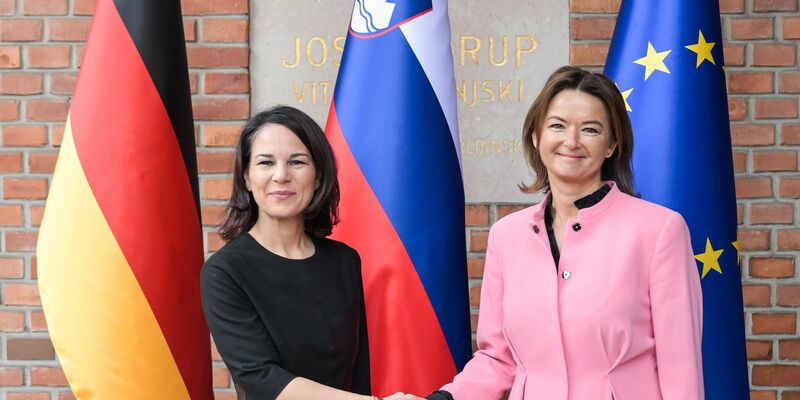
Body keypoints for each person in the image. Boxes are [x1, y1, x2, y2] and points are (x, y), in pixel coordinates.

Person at [424, 66, 704, 400]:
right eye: (557, 125)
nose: (571, 141)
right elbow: (498, 359)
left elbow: (680, 368)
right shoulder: (506, 236)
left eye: (590, 129)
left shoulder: (660, 231)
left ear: (612, 144)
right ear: (536, 136)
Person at [200, 106, 409, 400]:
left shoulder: (344, 261)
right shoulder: (225, 272)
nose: (281, 175)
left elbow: (358, 373)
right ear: (246, 177)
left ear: (318, 175)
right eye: (266, 162)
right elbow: (262, 379)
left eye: (296, 162)